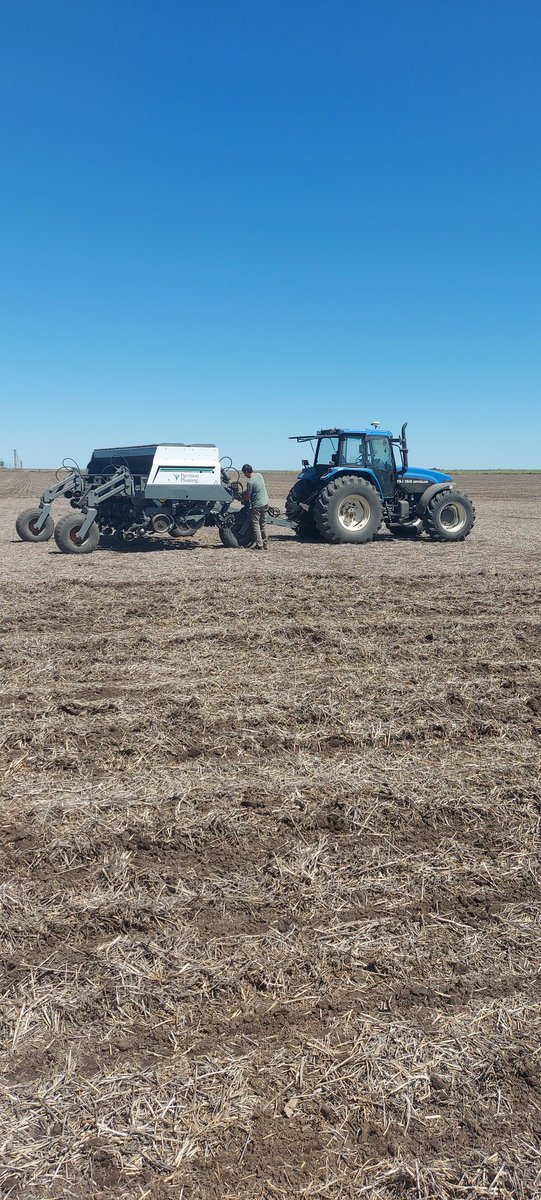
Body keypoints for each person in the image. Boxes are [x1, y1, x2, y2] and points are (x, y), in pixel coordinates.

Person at [241, 464, 269, 550]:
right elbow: (253, 489)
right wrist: (243, 492)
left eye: (244, 473)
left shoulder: (250, 482)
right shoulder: (259, 475)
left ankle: (259, 545)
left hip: (257, 506)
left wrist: (242, 498)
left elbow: (248, 496)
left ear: (246, 472)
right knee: (263, 524)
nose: (244, 475)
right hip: (265, 503)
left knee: (255, 524)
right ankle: (265, 544)